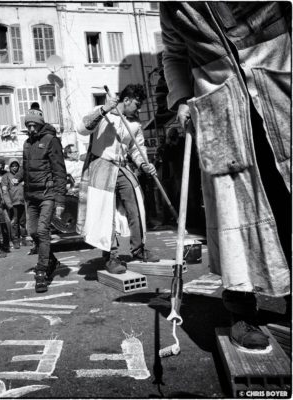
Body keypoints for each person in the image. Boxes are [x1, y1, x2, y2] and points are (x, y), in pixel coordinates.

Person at [160, 2, 291, 351]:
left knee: (287, 204)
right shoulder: (172, 6)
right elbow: (173, 54)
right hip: (221, 112)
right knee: (233, 215)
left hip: (281, 98)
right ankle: (241, 312)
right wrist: (183, 99)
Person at [76, 84, 160, 274]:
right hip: (101, 165)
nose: (138, 109)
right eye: (137, 105)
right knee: (106, 213)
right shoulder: (101, 112)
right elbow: (82, 128)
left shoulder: (135, 124)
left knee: (136, 204)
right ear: (127, 100)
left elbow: (137, 149)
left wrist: (143, 164)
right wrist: (105, 109)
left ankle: (139, 249)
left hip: (122, 166)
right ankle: (111, 256)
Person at [22, 107, 67, 293]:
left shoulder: (51, 140)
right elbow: (26, 171)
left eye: (34, 125)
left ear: (40, 125)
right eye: (28, 125)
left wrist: (60, 201)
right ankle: (51, 259)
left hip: (47, 195)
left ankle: (41, 271)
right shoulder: (26, 143)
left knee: (42, 231)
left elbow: (59, 171)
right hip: (31, 196)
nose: (31, 129)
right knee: (31, 231)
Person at [1, 159, 28, 249]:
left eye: (16, 166)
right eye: (12, 166)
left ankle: (24, 239)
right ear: (9, 167)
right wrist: (9, 204)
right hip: (13, 203)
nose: (15, 168)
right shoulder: (6, 177)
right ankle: (15, 240)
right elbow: (4, 191)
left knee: (23, 221)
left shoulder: (22, 176)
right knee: (14, 222)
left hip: (22, 202)